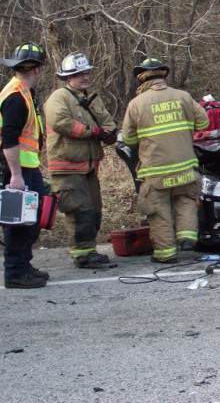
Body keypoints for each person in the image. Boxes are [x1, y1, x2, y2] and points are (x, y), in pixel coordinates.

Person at [121, 58, 209, 263]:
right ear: (163, 75)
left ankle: (166, 254)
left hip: (156, 171)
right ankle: (187, 238)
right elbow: (204, 121)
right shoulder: (183, 96)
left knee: (159, 211)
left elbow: (128, 139)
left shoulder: (136, 104)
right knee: (186, 201)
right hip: (186, 167)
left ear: (141, 79)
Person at [43, 52, 118, 267]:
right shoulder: (60, 97)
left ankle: (88, 250)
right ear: (68, 77)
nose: (85, 77)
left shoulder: (91, 99)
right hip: (67, 168)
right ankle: (83, 256)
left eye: (86, 72)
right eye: (79, 74)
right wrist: (93, 132)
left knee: (94, 210)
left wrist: (109, 133)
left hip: (88, 168)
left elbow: (107, 122)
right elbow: (61, 123)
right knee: (79, 210)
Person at [0, 42, 49, 288]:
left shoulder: (24, 93)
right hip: (17, 171)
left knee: (30, 219)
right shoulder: (16, 97)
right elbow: (8, 138)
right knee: (18, 222)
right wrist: (15, 176)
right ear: (37, 69)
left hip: (28, 167)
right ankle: (15, 272)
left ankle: (24, 265)